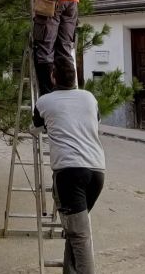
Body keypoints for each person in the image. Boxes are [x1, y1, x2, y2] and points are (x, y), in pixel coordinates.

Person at [32, 60, 105, 274]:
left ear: (53, 77)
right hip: (97, 171)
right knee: (76, 231)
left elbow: (37, 127)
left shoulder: (45, 102)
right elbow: (95, 121)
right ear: (75, 77)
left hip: (69, 173)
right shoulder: (89, 98)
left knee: (80, 236)